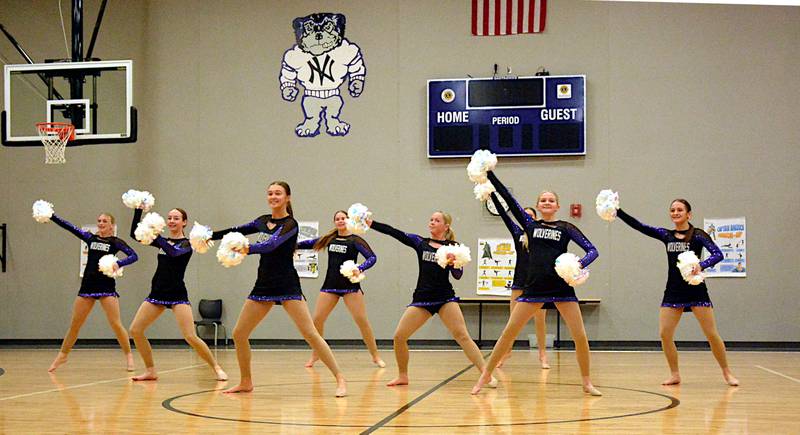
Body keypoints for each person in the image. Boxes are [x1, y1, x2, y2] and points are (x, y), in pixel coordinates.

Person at [210, 181, 347, 397]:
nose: (273, 197)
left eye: (278, 193)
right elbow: (235, 230)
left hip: (286, 284)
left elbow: (271, 245)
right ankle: (246, 381)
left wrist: (247, 247)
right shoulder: (262, 221)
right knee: (239, 333)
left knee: (310, 333)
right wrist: (208, 235)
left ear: (287, 197)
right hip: (263, 284)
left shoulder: (291, 224)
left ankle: (340, 378)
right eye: (270, 193)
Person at [472, 171, 601, 395]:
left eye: (551, 200)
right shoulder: (529, 225)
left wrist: (578, 264)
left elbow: (593, 250)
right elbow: (509, 201)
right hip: (533, 287)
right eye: (543, 200)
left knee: (579, 335)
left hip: (561, 288)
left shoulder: (566, 227)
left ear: (558, 206)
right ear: (538, 205)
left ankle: (587, 382)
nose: (547, 202)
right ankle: (484, 377)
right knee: (508, 333)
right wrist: (490, 174)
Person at [367, 212, 497, 388]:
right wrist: (372, 223)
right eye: (431, 220)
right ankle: (403, 375)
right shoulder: (420, 242)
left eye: (437, 220)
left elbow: (458, 275)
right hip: (422, 298)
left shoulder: (454, 247)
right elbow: (394, 232)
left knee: (462, 335)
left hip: (445, 298)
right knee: (399, 337)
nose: (432, 222)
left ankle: (485, 373)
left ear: (446, 226)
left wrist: (452, 263)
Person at [616, 200, 738, 386]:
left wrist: (701, 265)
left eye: (679, 210)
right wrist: (618, 212)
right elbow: (640, 226)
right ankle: (675, 374)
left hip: (696, 291)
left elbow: (718, 254)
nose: (675, 213)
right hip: (673, 291)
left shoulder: (698, 235)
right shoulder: (666, 235)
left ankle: (727, 372)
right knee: (665, 334)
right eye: (672, 210)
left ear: (689, 214)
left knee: (711, 334)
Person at [127, 207, 227, 381]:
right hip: (157, 292)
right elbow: (134, 234)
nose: (172, 221)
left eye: (176, 218)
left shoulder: (188, 244)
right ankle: (150, 370)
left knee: (190, 336)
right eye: (170, 218)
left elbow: (173, 253)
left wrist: (155, 235)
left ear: (184, 222)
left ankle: (216, 367)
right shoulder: (162, 241)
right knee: (135, 330)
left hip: (177, 295)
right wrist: (138, 210)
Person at [47, 212, 138, 372]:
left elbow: (134, 256)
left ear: (112, 225)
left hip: (107, 287)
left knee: (116, 324)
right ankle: (63, 354)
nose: (101, 223)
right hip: (88, 286)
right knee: (75, 324)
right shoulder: (90, 238)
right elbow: (69, 226)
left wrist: (119, 263)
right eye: (99, 221)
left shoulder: (116, 242)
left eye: (105, 221)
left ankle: (129, 356)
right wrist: (52, 216)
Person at [299, 210, 385, 368]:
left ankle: (375, 355)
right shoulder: (329, 239)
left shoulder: (355, 240)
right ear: (334, 222)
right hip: (330, 286)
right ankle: (316, 353)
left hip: (350, 287)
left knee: (361, 321)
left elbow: (372, 257)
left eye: (343, 218)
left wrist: (360, 268)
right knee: (317, 320)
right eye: (337, 219)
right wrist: (289, 246)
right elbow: (307, 244)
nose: (340, 221)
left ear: (349, 220)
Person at [489, 195, 549, 369]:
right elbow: (505, 216)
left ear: (536, 219)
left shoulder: (541, 233)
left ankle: (543, 354)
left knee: (540, 320)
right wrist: (494, 198)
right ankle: (507, 351)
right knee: (513, 321)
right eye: (525, 215)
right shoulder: (517, 233)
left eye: (532, 216)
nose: (528, 218)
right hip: (519, 280)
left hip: (538, 282)